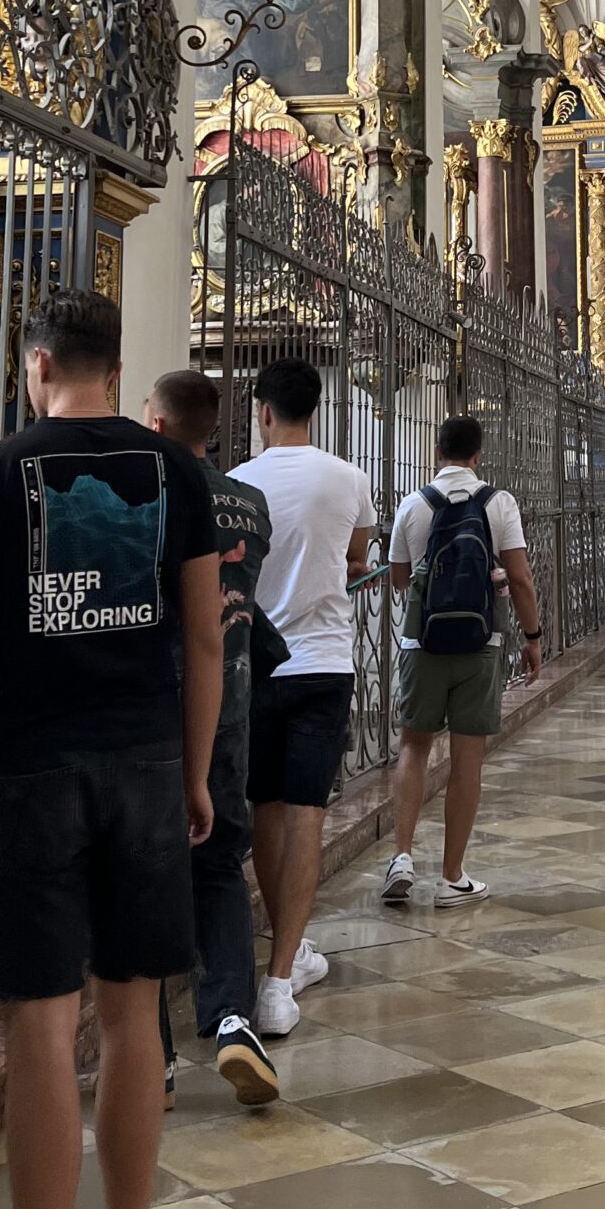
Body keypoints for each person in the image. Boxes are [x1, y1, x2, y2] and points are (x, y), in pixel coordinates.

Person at [0, 291, 225, 1209]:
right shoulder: (175, 470)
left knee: (40, 1026)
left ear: (37, 363)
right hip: (144, 764)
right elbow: (206, 640)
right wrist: (192, 773)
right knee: (135, 1013)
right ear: (112, 367)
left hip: (33, 770)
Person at [144, 371, 281, 1110]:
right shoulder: (250, 503)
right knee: (221, 864)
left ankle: (155, 1060)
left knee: (144, 872)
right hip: (230, 704)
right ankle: (233, 1018)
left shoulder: (150, 494)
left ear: (157, 426)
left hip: (159, 706)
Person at [232, 359, 375, 1040]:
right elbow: (356, 559)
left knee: (264, 809)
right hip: (323, 664)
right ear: (315, 409)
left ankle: (284, 956)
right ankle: (281, 976)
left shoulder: (238, 483)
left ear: (262, 411)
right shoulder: (348, 478)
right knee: (308, 814)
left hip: (259, 665)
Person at [380, 414, 543, 908]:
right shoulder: (498, 503)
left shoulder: (414, 504)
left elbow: (399, 580)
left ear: (437, 451)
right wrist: (533, 637)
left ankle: (402, 857)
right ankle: (452, 878)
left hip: (422, 643)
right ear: (478, 455)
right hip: (480, 642)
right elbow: (521, 579)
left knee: (414, 746)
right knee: (467, 759)